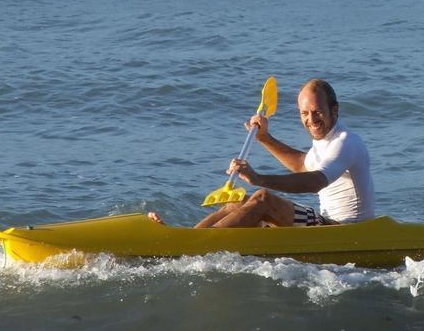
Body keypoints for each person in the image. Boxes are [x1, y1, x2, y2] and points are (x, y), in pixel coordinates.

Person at [149, 79, 374, 228]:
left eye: (317, 112)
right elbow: (302, 165)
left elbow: (315, 181)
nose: (311, 119)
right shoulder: (325, 141)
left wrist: (258, 179)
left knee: (263, 198)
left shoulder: (345, 142)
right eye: (304, 113)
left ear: (334, 110)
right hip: (325, 222)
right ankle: (187, 239)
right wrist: (264, 138)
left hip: (343, 229)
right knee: (237, 203)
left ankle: (191, 248)